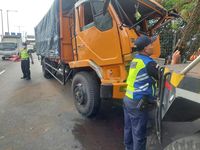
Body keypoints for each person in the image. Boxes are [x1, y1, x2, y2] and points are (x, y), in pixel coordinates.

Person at [123, 35, 180, 150]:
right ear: (145, 48)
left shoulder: (136, 60)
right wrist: (174, 62)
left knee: (129, 130)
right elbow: (166, 78)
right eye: (150, 44)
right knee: (139, 136)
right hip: (137, 103)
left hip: (128, 100)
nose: (152, 46)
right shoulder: (148, 63)